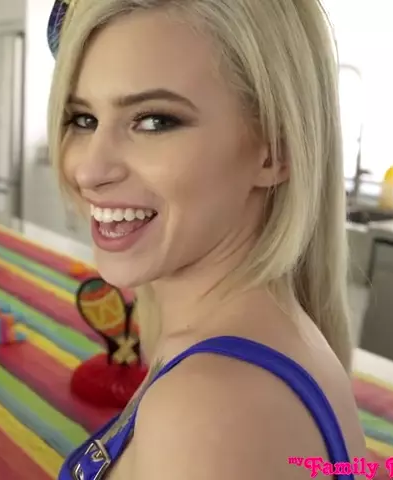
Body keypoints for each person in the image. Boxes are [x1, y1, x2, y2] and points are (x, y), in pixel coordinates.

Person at [46, 0, 368, 478]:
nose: (89, 171)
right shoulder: (246, 350)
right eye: (83, 119)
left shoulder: (206, 409)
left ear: (275, 150)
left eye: (154, 121)